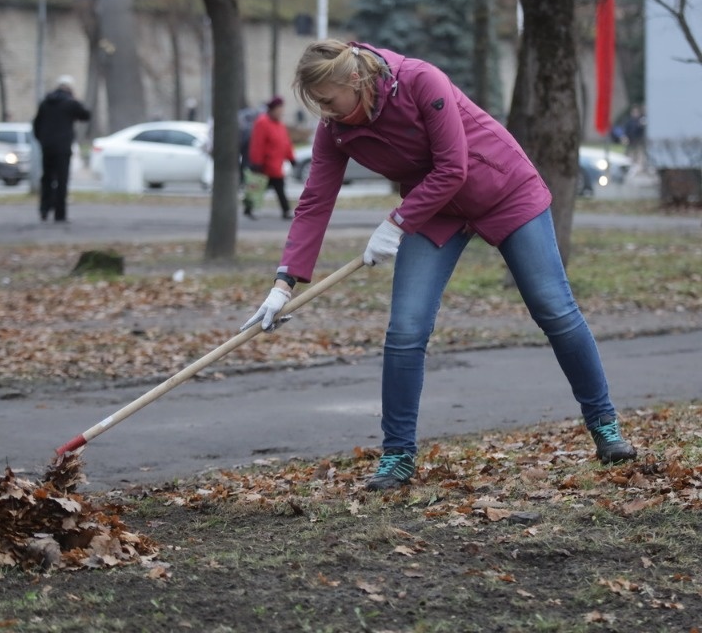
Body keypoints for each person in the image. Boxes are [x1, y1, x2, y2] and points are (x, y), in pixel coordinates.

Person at [241, 39, 637, 491]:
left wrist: (396, 223)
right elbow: (314, 202)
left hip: (504, 189)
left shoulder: (420, 80)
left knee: (554, 308)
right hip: (437, 210)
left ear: (354, 79)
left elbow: (453, 167)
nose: (324, 112)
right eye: (317, 105)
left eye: (328, 100)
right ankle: (397, 456)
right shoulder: (335, 130)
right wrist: (283, 283)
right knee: (406, 329)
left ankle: (605, 426)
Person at [33, 75, 91, 223]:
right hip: (63, 147)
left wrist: (43, 141)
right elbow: (86, 115)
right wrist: (77, 100)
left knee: (47, 178)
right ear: (70, 88)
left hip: (47, 147)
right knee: (62, 180)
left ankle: (44, 209)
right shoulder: (70, 103)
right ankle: (60, 213)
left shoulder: (45, 102)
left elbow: (36, 125)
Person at [244, 96, 296, 220]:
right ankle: (285, 210)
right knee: (260, 187)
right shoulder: (262, 123)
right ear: (272, 109)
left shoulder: (280, 125)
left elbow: (285, 143)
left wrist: (291, 158)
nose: (281, 112)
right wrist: (256, 162)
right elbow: (257, 143)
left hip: (276, 164)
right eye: (279, 109)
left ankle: (284, 210)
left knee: (273, 187)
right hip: (265, 164)